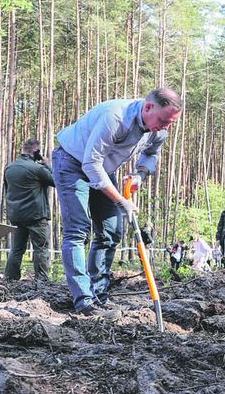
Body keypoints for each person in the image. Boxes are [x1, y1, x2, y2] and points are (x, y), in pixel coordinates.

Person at [53, 88, 180, 316]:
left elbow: (152, 154)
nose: (165, 127)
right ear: (148, 107)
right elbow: (91, 164)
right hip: (72, 162)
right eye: (163, 120)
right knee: (78, 230)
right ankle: (84, 301)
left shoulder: (158, 130)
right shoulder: (116, 117)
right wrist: (121, 200)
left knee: (111, 232)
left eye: (171, 123)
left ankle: (99, 294)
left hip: (104, 168)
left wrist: (140, 174)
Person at [3, 138, 55, 281]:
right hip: (36, 216)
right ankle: (42, 280)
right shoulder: (37, 169)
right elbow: (57, 181)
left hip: (17, 215)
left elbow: (7, 190)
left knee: (17, 249)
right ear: (36, 151)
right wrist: (48, 165)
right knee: (41, 248)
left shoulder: (9, 168)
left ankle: (10, 279)